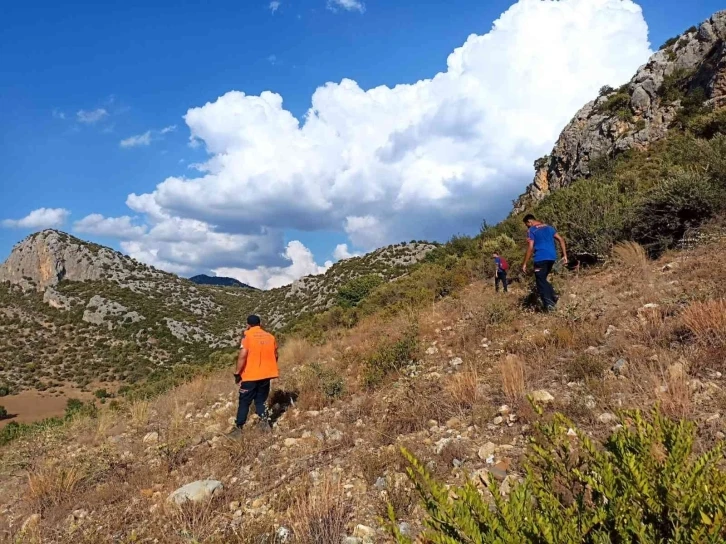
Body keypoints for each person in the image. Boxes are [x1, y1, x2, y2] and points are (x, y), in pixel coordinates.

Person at [228, 315, 279, 437]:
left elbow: (243, 355)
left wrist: (238, 373)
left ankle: (238, 428)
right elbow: (276, 355)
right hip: (266, 375)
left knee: (244, 402)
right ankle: (265, 423)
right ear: (260, 324)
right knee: (261, 400)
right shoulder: (270, 337)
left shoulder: (248, 336)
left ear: (248, 325)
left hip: (250, 376)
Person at [521, 214, 567, 311]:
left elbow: (530, 247)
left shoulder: (531, 230)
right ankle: (553, 295)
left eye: (527, 225)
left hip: (540, 257)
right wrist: (565, 255)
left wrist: (525, 263)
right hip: (551, 257)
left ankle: (549, 304)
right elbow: (561, 240)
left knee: (540, 282)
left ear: (529, 221)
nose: (527, 227)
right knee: (542, 279)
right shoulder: (549, 227)